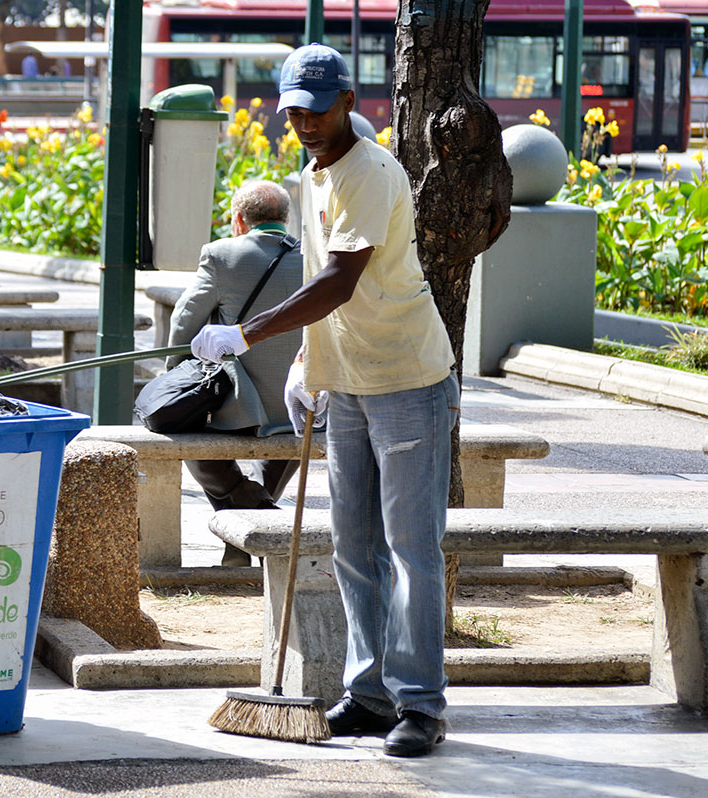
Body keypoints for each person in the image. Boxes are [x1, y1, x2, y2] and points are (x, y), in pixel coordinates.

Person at [189, 44, 459, 758]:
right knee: (353, 549)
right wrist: (310, 358)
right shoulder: (312, 175)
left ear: (347, 102)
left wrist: (245, 336)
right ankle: (368, 694)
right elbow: (321, 280)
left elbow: (339, 280)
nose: (303, 123)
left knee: (410, 550)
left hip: (406, 378)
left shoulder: (369, 171)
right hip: (347, 381)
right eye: (293, 111)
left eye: (315, 108)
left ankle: (420, 708)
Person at [165, 179, 303, 567]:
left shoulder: (221, 254)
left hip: (239, 404)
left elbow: (184, 323)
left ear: (239, 220)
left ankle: (246, 515)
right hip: (302, 401)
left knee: (187, 435)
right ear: (285, 219)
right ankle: (252, 522)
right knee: (288, 432)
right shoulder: (316, 258)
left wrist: (172, 376)